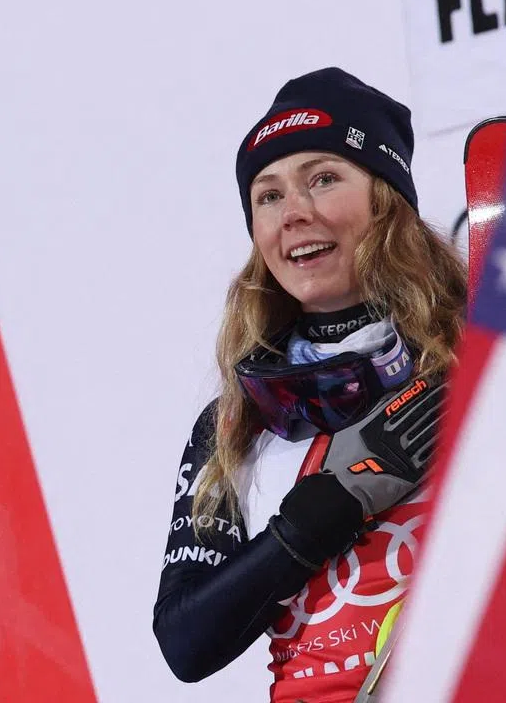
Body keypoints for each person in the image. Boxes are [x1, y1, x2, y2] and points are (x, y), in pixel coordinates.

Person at [152, 67, 467, 702]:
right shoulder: (236, 423)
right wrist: (311, 523)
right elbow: (185, 642)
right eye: (267, 196)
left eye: (323, 179)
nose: (294, 213)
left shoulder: (474, 370)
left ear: (385, 200)